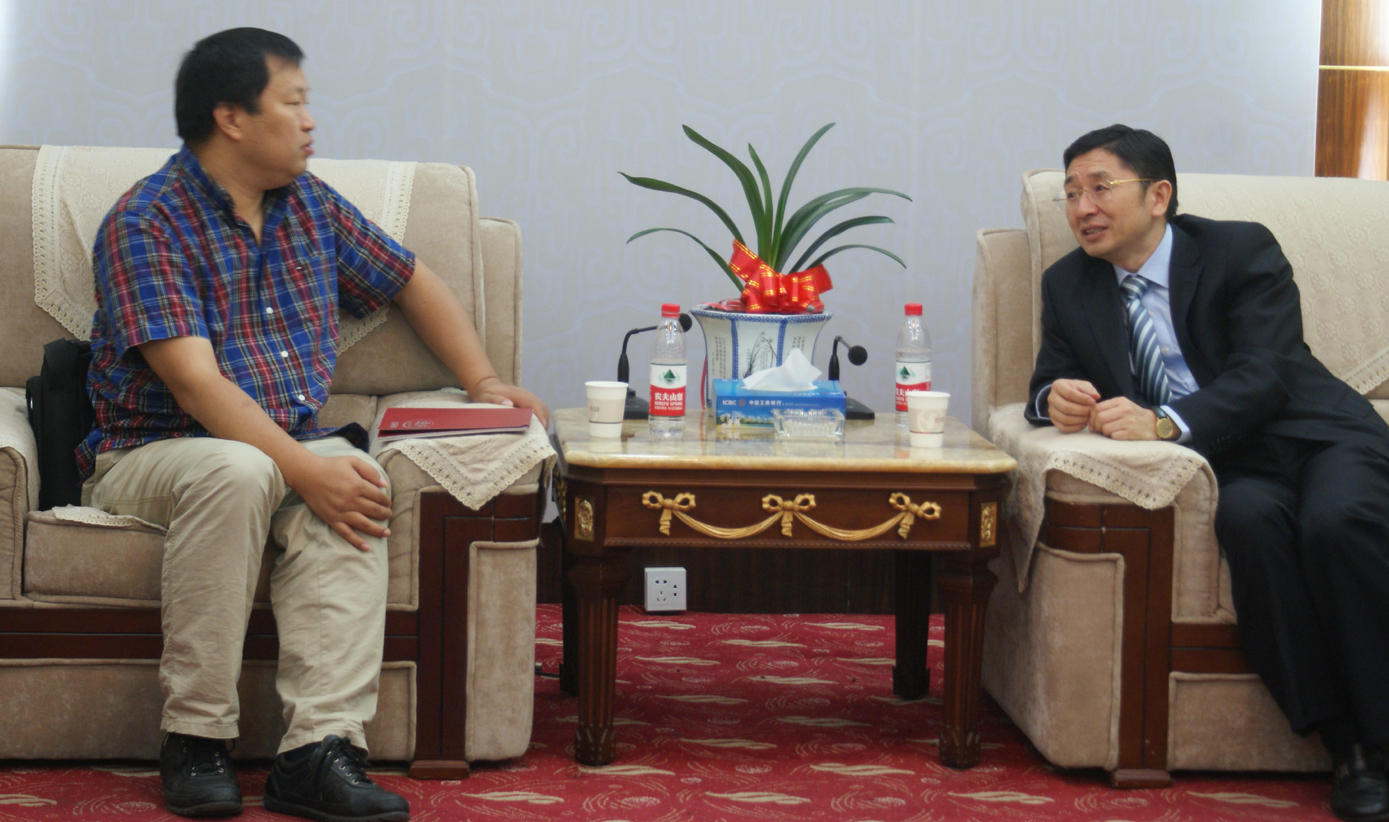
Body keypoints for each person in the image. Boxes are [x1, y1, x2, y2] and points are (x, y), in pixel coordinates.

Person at [79, 27, 548, 822]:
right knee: (240, 469)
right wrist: (303, 470)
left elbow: (411, 280)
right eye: (293, 102)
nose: (309, 121)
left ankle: (319, 752)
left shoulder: (310, 205)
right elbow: (196, 385)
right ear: (231, 117)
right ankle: (195, 737)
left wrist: (484, 380)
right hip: (154, 451)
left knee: (351, 482)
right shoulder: (147, 221)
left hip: (281, 446)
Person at [1026, 124, 1389, 822]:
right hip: (1233, 465)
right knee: (1249, 525)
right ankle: (1346, 746)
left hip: (1317, 437)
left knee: (1334, 522)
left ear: (1158, 195)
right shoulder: (1068, 284)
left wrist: (1163, 423)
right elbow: (1046, 381)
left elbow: (1267, 372)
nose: (1081, 208)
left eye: (1099, 188)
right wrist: (1055, 398)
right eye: (1070, 194)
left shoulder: (1238, 250)